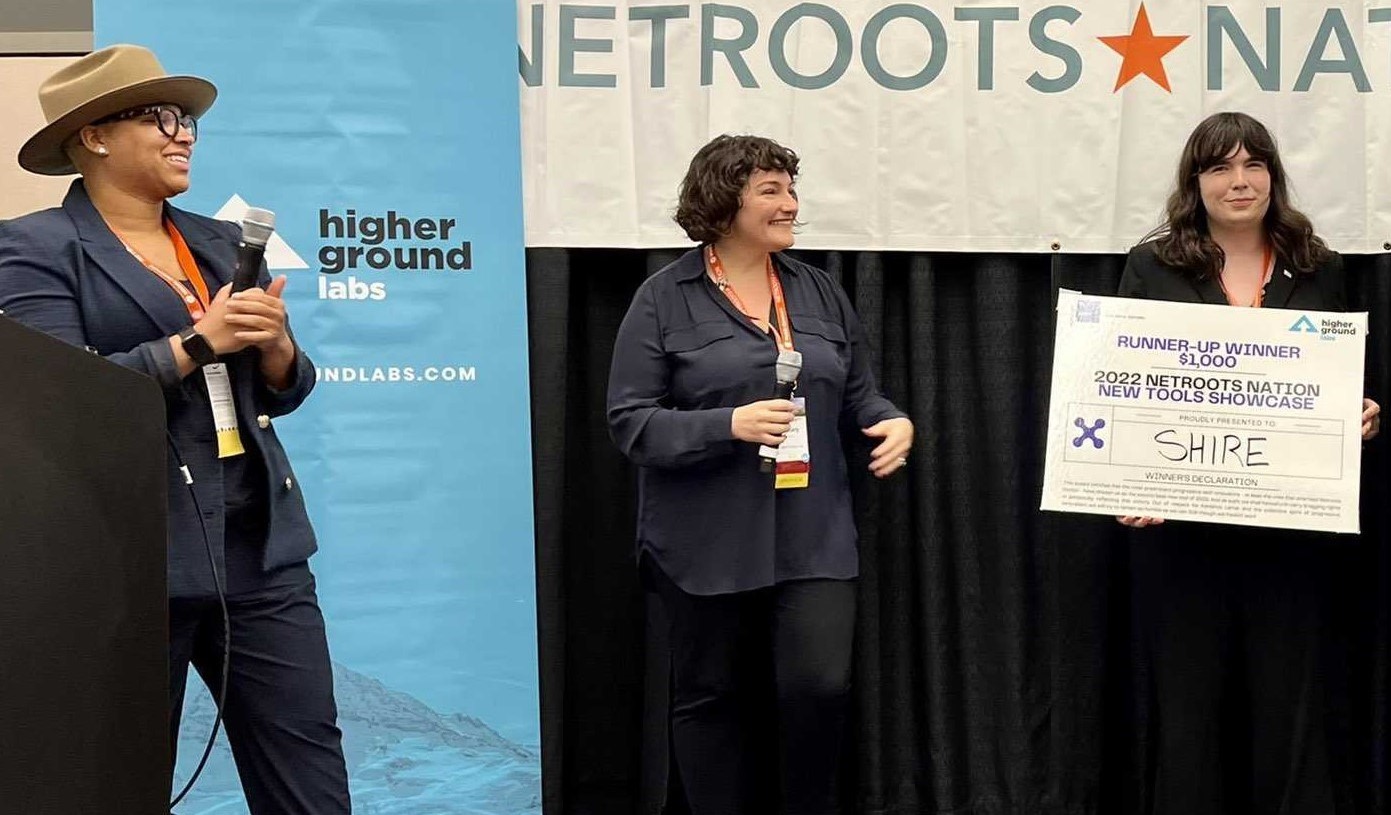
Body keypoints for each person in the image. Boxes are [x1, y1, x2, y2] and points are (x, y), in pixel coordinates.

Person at [0, 45, 350, 812]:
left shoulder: (221, 245)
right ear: (93, 136)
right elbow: (59, 400)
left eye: (185, 118)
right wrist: (196, 344)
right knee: (113, 781)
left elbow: (281, 391)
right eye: (158, 117)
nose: (182, 133)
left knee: (310, 774)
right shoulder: (34, 248)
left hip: (259, 548)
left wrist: (280, 348)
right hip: (126, 560)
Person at [607, 134, 914, 815]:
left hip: (813, 533)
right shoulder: (662, 299)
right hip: (703, 543)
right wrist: (727, 425)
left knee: (819, 686)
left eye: (790, 189)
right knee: (711, 696)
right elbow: (630, 423)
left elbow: (860, 392)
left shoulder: (818, 291)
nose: (790, 204)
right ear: (722, 201)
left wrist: (893, 421)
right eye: (770, 190)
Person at [1117, 111, 1379, 814]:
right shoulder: (1151, 265)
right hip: (1181, 531)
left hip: (1289, 530)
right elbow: (1123, 387)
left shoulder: (1317, 264)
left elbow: (1346, 377)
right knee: (1187, 712)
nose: (1239, 181)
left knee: (1289, 708)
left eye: (1252, 164)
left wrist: (1362, 412)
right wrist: (1123, 478)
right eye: (1219, 167)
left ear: (1272, 173)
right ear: (1193, 181)